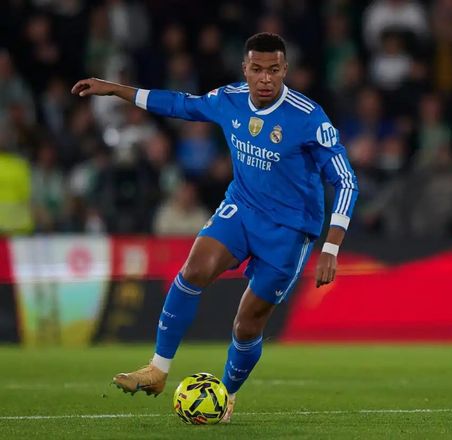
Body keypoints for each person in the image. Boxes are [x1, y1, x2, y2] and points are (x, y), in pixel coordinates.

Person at [71, 32, 358, 422]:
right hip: (242, 209)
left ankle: (227, 394)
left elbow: (346, 181)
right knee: (194, 270)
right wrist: (116, 90)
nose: (265, 78)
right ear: (245, 69)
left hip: (289, 231)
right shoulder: (229, 99)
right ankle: (157, 369)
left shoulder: (309, 118)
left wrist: (331, 247)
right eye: (257, 69)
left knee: (247, 324)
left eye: (274, 70)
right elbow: (180, 104)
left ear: (285, 70)